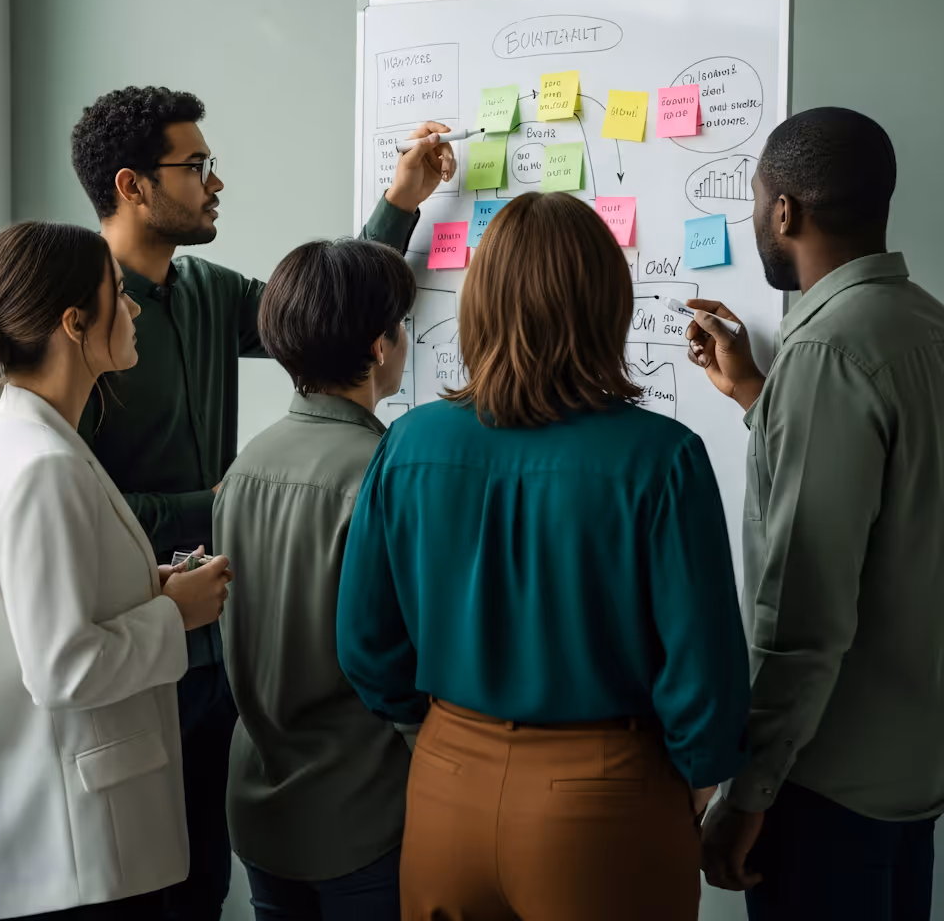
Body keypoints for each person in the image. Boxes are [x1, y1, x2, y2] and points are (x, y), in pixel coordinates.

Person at [70, 86, 453, 921]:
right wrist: (209, 506)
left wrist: (398, 205)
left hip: (226, 655)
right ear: (134, 185)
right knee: (147, 889)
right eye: (196, 165)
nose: (215, 181)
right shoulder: (78, 316)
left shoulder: (207, 290)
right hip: (137, 644)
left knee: (209, 879)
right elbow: (70, 510)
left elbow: (325, 316)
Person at [336, 190, 752, 921]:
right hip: (607, 795)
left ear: (479, 303)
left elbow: (366, 643)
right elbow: (705, 666)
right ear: (606, 305)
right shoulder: (664, 459)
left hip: (445, 786)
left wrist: (447, 724)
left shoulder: (407, 443)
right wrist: (699, 773)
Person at [685, 107, 944, 921]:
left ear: (784, 211)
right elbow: (896, 492)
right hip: (912, 769)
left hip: (826, 783)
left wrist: (748, 790)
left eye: (757, 197)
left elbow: (803, 610)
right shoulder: (925, 325)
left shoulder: (827, 351)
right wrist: (759, 395)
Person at [0, 221, 234, 921]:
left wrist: (150, 588)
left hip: (68, 836)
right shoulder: (41, 465)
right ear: (76, 324)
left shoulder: (27, 438)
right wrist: (176, 614)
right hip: (67, 853)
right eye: (119, 296)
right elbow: (63, 668)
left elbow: (56, 611)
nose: (133, 309)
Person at [213, 239, 417, 921]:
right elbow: (403, 659)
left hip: (261, 804)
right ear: (380, 346)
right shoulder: (383, 474)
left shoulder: (246, 466)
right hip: (362, 812)